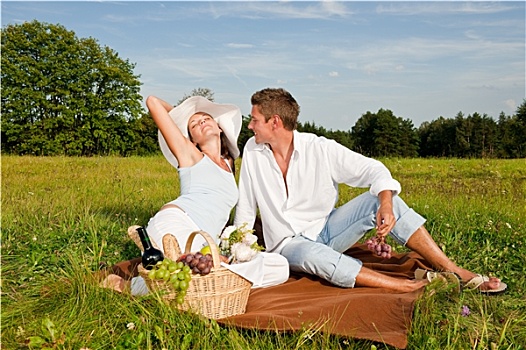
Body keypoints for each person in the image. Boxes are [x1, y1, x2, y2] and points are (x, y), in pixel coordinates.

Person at [234, 87, 506, 294]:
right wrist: (239, 251)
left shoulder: (320, 148)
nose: (249, 125)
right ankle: (406, 287)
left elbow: (374, 170)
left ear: (275, 122)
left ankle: (454, 270)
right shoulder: (252, 151)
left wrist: (386, 204)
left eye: (254, 119)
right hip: (288, 244)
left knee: (382, 200)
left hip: (327, 230)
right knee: (309, 254)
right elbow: (246, 205)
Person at [102, 95, 289, 294]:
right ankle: (128, 285)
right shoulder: (190, 155)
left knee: (279, 266)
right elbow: (153, 102)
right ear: (191, 139)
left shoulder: (229, 162)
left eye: (206, 119)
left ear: (219, 128)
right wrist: (183, 113)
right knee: (196, 275)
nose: (201, 123)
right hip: (175, 224)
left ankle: (176, 280)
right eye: (194, 125)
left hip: (205, 241)